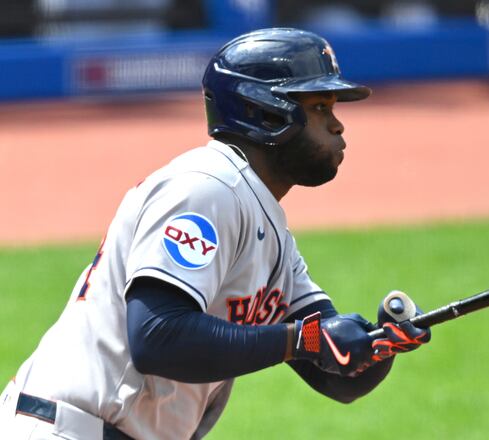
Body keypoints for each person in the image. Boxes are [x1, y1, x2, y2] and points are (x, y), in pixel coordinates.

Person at [0, 28, 430, 439]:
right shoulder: (205, 188)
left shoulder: (269, 230)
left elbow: (335, 376)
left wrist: (380, 342)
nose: (338, 125)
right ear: (264, 111)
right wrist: (307, 339)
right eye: (320, 107)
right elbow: (157, 336)